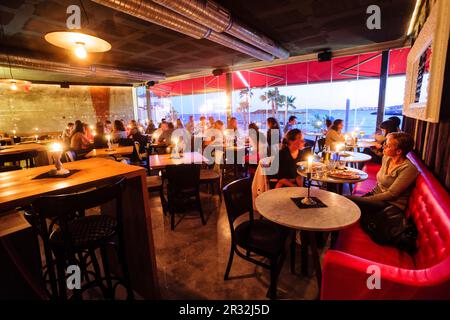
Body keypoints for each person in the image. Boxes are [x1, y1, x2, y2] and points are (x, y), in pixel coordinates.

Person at [347, 132, 418, 215]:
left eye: (387, 146)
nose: (383, 147)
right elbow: (379, 186)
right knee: (347, 205)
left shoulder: (408, 168)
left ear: (398, 151)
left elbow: (392, 194)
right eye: (385, 143)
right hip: (376, 196)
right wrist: (366, 197)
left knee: (346, 199)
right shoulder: (387, 158)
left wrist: (366, 200)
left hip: (390, 204)